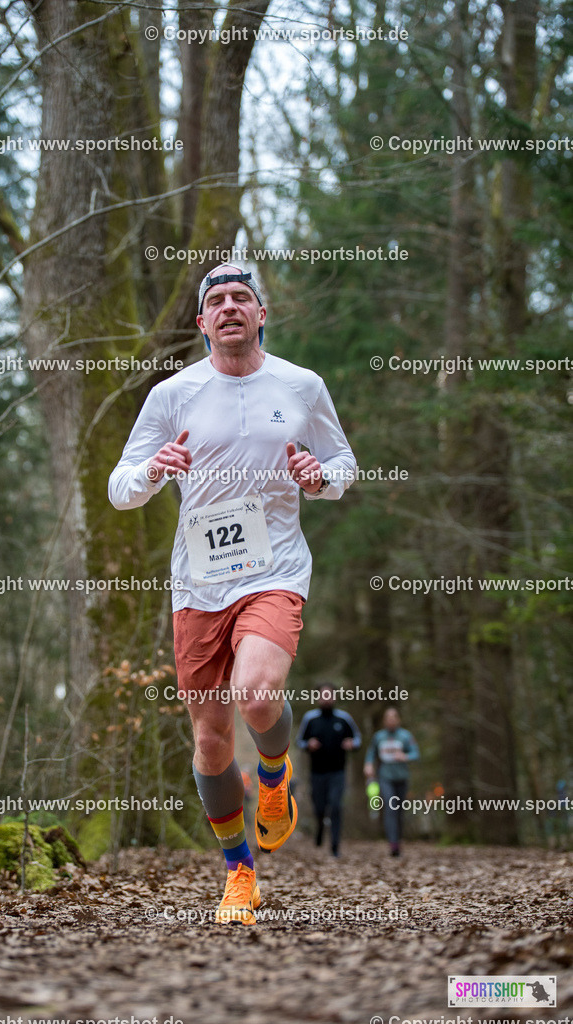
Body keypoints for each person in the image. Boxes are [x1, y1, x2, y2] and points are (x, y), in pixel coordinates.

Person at [108, 264, 356, 924]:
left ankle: (273, 775)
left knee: (256, 693)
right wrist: (155, 471)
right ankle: (238, 872)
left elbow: (343, 465)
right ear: (201, 323)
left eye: (240, 297)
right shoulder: (173, 394)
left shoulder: (302, 385)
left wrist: (317, 476)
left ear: (261, 312)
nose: (228, 307)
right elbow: (119, 485)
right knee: (211, 740)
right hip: (197, 580)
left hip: (273, 567)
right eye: (215, 300)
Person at [296, 685, 361, 856]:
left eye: (329, 695)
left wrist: (352, 744)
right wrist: (308, 744)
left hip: (338, 772)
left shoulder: (344, 719)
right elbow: (299, 741)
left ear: (334, 697)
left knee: (336, 806)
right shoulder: (310, 719)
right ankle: (319, 829)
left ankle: (335, 846)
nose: (326, 698)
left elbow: (357, 739)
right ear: (318, 697)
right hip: (317, 772)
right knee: (319, 808)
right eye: (323, 695)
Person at [364, 707, 419, 856]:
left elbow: (415, 753)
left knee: (400, 811)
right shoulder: (379, 737)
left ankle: (398, 840)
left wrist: (405, 756)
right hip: (385, 777)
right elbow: (371, 752)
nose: (391, 720)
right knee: (390, 807)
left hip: (402, 778)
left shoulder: (405, 736)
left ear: (398, 719)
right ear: (384, 721)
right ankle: (393, 843)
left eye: (394, 717)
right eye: (388, 718)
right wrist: (368, 764)